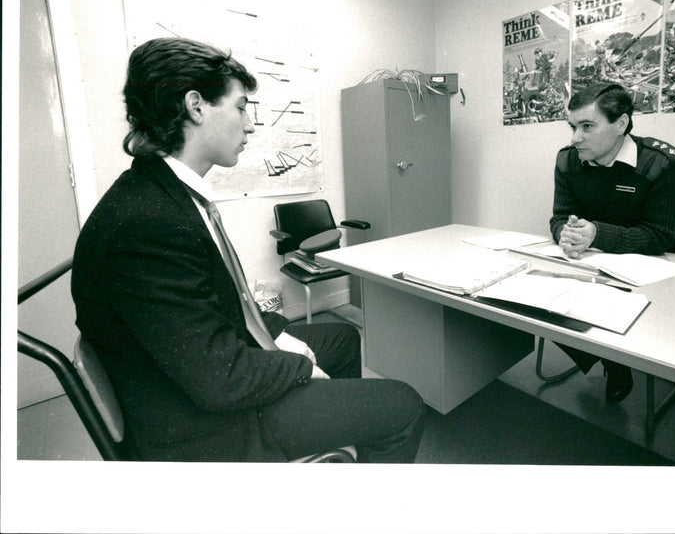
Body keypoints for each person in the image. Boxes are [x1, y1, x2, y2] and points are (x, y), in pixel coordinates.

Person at [71, 37, 425, 462]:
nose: (251, 124)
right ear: (196, 105)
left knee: (344, 338)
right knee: (403, 406)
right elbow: (219, 378)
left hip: (198, 373)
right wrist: (298, 368)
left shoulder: (165, 194)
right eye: (241, 107)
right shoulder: (146, 224)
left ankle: (330, 450)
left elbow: (215, 304)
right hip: (201, 426)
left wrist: (278, 336)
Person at [549, 82, 675, 402]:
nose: (575, 138)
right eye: (573, 127)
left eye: (586, 126)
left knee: (604, 309)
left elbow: (659, 236)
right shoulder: (567, 160)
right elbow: (560, 216)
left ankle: (615, 360)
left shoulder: (664, 163)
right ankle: (611, 360)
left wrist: (597, 233)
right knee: (543, 305)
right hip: (588, 268)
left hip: (645, 272)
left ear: (621, 124)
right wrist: (564, 234)